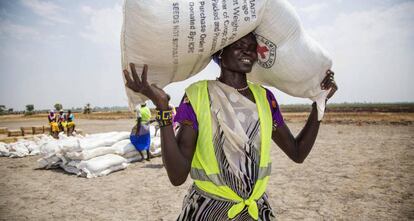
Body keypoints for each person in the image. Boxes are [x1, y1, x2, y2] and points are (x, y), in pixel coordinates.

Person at [123, 32, 337, 220]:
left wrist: (320, 104)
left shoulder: (265, 99)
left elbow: (297, 152)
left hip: (254, 212)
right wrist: (162, 109)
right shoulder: (197, 96)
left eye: (252, 48)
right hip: (208, 212)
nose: (248, 51)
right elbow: (177, 176)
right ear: (220, 54)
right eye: (239, 46)